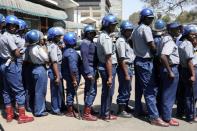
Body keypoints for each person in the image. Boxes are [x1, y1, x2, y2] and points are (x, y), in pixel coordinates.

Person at [132, 8, 169, 127]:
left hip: (138, 60)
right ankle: (154, 117)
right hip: (145, 61)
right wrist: (157, 54)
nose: (151, 20)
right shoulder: (146, 28)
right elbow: (151, 44)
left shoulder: (136, 29)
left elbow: (130, 42)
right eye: (149, 18)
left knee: (140, 88)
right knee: (150, 91)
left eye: (152, 18)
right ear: (143, 18)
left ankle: (138, 110)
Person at [0, 15, 34, 124]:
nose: (13, 28)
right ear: (7, 25)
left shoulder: (2, 35)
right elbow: (17, 53)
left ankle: (9, 114)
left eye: (14, 26)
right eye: (11, 25)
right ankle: (22, 116)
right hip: (11, 64)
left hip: (3, 64)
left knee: (6, 90)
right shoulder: (9, 37)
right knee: (19, 89)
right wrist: (22, 50)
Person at [97, 14, 118, 120]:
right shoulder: (105, 37)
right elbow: (108, 58)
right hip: (107, 67)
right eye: (113, 25)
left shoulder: (103, 35)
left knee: (106, 91)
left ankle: (104, 111)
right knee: (108, 92)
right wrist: (110, 76)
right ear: (107, 25)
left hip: (105, 66)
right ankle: (105, 114)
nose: (114, 27)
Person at [158, 22, 180, 126]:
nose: (179, 30)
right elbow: (163, 56)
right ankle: (167, 118)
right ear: (170, 30)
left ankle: (164, 115)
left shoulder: (164, 38)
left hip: (165, 69)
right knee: (169, 95)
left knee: (165, 94)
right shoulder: (170, 41)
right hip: (170, 69)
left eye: (179, 28)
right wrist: (170, 71)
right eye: (176, 29)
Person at [25, 30, 49, 117]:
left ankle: (31, 107)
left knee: (33, 90)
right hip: (40, 68)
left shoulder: (29, 47)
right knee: (40, 91)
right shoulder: (38, 48)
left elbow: (26, 59)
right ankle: (39, 111)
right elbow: (46, 58)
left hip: (33, 69)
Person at [116, 20, 135, 118]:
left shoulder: (127, 40)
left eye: (131, 30)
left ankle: (126, 106)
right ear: (123, 31)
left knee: (128, 88)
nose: (130, 32)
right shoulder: (121, 41)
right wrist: (126, 74)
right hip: (125, 68)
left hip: (129, 67)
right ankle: (121, 110)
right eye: (128, 30)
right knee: (124, 89)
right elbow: (121, 59)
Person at [178, 25, 196, 123]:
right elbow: (189, 61)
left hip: (182, 69)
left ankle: (180, 112)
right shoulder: (188, 45)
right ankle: (190, 116)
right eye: (192, 34)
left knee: (182, 93)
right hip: (189, 70)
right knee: (190, 95)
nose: (194, 36)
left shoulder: (182, 43)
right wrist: (193, 75)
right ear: (187, 34)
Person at [62, 32, 81, 117]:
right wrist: (74, 80)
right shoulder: (71, 53)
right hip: (72, 76)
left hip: (68, 75)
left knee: (71, 91)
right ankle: (70, 110)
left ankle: (71, 106)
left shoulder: (66, 50)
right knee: (71, 91)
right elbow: (73, 68)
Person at [80, 25, 98, 121]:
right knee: (91, 91)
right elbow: (85, 58)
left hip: (93, 68)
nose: (92, 34)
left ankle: (88, 109)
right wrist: (88, 72)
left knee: (89, 90)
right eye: (90, 33)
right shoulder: (85, 43)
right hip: (89, 68)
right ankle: (86, 114)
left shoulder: (91, 42)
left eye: (93, 33)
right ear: (86, 33)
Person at [47, 27, 65, 115]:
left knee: (59, 90)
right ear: (53, 37)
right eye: (58, 36)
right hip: (55, 68)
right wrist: (57, 76)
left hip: (58, 68)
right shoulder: (53, 46)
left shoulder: (55, 45)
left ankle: (60, 106)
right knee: (55, 90)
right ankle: (55, 109)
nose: (59, 38)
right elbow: (54, 61)